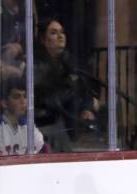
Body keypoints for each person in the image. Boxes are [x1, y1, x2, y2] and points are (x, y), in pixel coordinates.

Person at [34, 18, 100, 152]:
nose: (60, 36)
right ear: (43, 39)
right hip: (46, 126)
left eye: (62, 32)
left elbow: (84, 90)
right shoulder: (35, 65)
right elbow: (49, 99)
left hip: (68, 123)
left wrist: (87, 109)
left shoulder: (69, 62)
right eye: (53, 33)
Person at [0, 77, 46, 155]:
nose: (23, 101)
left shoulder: (27, 125)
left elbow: (43, 150)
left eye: (25, 96)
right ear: (4, 103)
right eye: (17, 97)